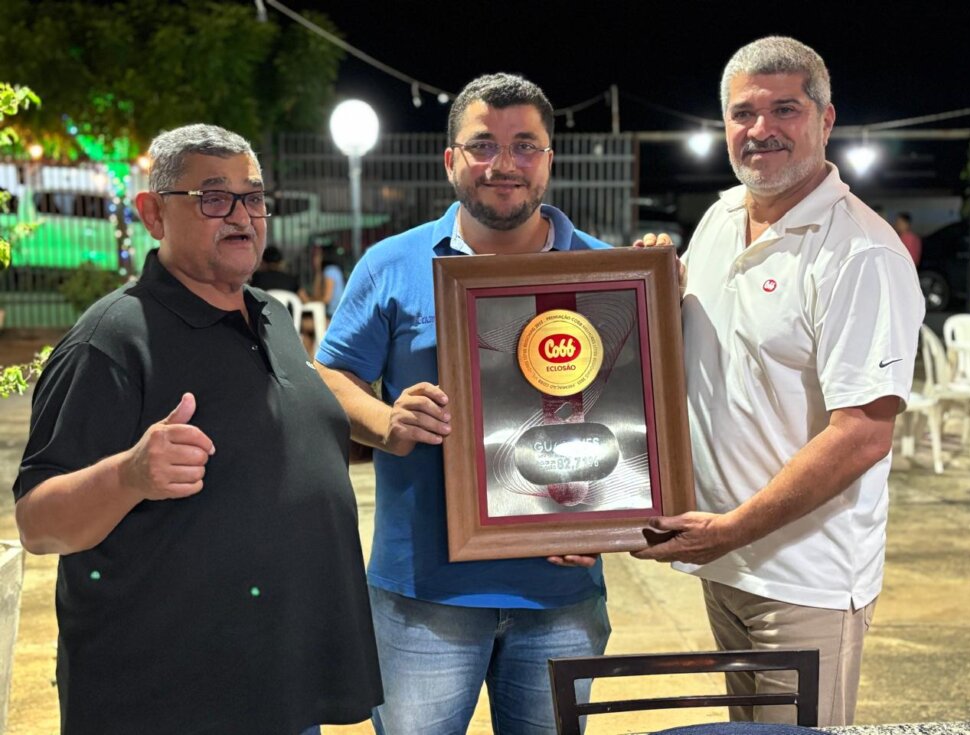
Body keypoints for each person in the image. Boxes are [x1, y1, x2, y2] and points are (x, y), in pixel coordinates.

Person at [13, 124, 382, 734]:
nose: (241, 216)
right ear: (153, 214)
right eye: (213, 198)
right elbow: (37, 522)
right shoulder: (112, 341)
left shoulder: (271, 316)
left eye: (253, 197)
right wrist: (130, 475)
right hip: (169, 699)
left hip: (280, 684)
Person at [634, 36, 924, 726]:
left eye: (784, 109)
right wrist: (653, 291)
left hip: (804, 579)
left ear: (826, 120)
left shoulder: (860, 253)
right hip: (725, 562)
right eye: (743, 113)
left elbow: (862, 435)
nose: (761, 129)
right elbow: (701, 362)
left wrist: (731, 529)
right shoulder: (719, 219)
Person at [315, 73, 612, 735]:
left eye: (524, 145)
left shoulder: (608, 270)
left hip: (561, 595)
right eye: (483, 145)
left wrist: (614, 513)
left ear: (548, 160)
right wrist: (385, 421)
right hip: (424, 595)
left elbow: (638, 418)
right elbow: (330, 376)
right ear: (450, 159)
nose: (504, 164)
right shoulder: (391, 264)